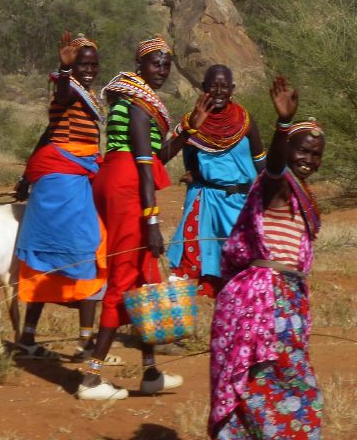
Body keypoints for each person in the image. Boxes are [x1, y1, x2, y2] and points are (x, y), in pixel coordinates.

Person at [209, 75, 324, 439]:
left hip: (286, 298)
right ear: (288, 149)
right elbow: (273, 167)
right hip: (265, 299)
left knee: (275, 378)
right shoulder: (277, 184)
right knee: (277, 380)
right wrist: (283, 124)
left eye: (316, 154)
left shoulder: (302, 193)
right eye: (301, 150)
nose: (308, 160)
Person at [76, 35, 188, 400]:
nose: (162, 70)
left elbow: (156, 157)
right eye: (156, 63)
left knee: (144, 279)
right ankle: (91, 378)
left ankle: (150, 372)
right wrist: (153, 222)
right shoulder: (137, 104)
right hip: (128, 191)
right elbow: (143, 166)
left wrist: (188, 130)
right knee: (124, 280)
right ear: (140, 66)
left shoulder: (138, 102)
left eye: (166, 64)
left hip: (123, 183)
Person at [14, 31, 108, 360]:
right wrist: (65, 69)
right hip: (62, 182)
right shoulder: (66, 90)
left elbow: (47, 133)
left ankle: (33, 338)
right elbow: (64, 95)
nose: (89, 69)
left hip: (74, 178)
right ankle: (83, 344)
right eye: (83, 63)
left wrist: (27, 174)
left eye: (93, 64)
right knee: (88, 249)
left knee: (53, 257)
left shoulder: (90, 95)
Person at [167, 64, 265, 298]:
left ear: (232, 89)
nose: (219, 91)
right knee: (194, 255)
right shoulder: (193, 121)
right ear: (203, 88)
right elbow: (182, 154)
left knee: (242, 257)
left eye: (224, 86)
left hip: (240, 202)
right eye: (213, 86)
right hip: (206, 199)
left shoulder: (246, 122)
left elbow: (260, 163)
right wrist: (193, 168)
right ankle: (183, 313)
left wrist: (269, 195)